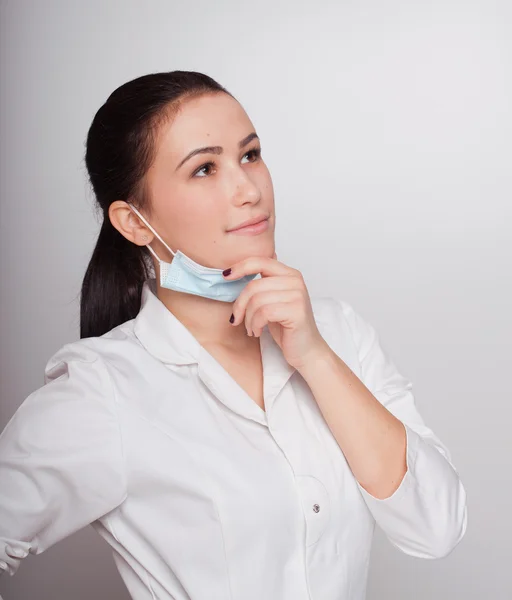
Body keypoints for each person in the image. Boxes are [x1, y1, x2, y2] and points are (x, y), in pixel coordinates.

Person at [0, 70, 467, 600]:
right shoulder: (105, 389)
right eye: (204, 169)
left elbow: (436, 528)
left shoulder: (340, 332)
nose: (248, 189)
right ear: (133, 223)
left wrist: (314, 355)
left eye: (250, 155)